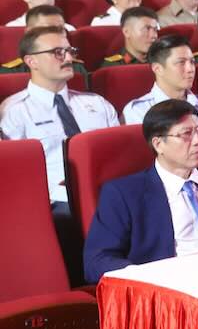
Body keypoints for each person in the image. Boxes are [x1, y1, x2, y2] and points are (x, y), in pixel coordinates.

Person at [83, 99, 198, 283]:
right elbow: (97, 261)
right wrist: (147, 277)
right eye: (186, 134)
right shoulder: (124, 193)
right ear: (158, 144)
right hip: (173, 285)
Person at [0, 27, 119, 211]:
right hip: (53, 203)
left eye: (70, 51)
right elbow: (13, 172)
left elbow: (118, 155)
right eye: (58, 52)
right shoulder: (14, 111)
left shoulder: (97, 103)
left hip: (107, 192)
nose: (69, 58)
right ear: (32, 61)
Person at [123, 35, 198, 166]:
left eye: (192, 62)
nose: (190, 69)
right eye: (181, 63)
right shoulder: (139, 111)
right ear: (157, 68)